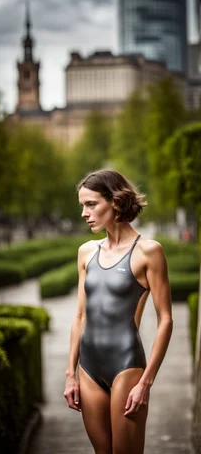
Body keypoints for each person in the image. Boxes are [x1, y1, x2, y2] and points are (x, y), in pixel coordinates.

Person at [64, 169, 173, 454]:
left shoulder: (149, 251)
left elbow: (165, 320)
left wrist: (146, 383)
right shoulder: (86, 251)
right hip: (88, 367)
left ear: (115, 201)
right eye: (82, 206)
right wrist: (70, 374)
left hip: (126, 366)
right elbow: (80, 316)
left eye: (91, 204)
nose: (84, 213)